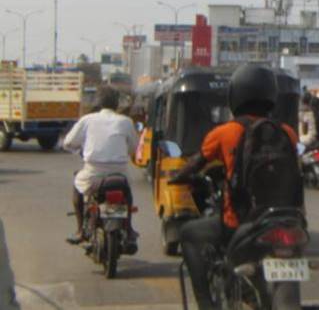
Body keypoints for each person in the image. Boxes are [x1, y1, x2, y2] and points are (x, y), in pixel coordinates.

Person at [169, 64, 299, 310]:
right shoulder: (287, 133)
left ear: (235, 96)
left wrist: (176, 177)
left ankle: (206, 304)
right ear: (271, 95)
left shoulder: (224, 133)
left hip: (240, 222)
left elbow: (196, 164)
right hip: (288, 221)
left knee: (188, 234)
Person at [62, 86, 139, 246]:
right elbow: (134, 148)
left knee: (77, 186)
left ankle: (80, 230)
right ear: (117, 103)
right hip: (120, 174)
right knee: (127, 193)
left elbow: (68, 142)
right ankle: (129, 228)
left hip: (93, 174)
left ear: (98, 102)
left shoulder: (87, 120)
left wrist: (78, 150)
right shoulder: (126, 121)